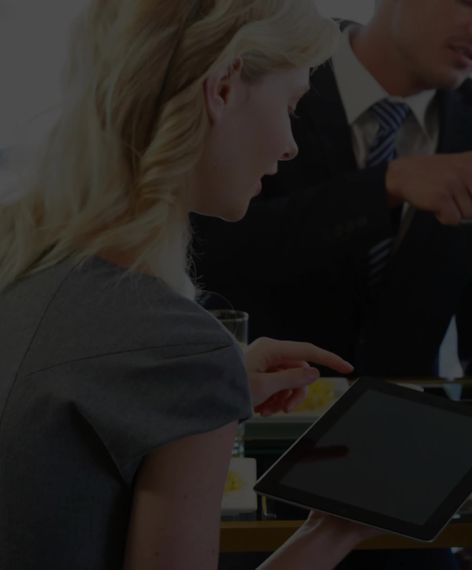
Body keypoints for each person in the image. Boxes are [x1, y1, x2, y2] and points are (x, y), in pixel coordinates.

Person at [0, 1, 383, 568]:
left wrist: (212, 388)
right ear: (224, 87)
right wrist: (332, 532)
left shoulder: (19, 262)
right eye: (291, 103)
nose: (289, 145)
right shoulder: (180, 351)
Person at [191, 0, 472, 380]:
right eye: (470, 2)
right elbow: (207, 252)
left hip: (411, 421)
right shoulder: (271, 77)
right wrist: (382, 187)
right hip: (259, 412)